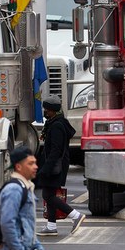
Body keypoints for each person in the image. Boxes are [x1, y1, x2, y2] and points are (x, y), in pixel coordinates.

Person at [36, 95, 86, 237]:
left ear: (52, 110)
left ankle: (75, 215)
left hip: (55, 165)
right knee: (50, 194)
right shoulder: (56, 122)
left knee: (47, 194)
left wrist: (47, 167)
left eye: (47, 109)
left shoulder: (57, 126)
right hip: (56, 164)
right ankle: (51, 226)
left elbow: (56, 150)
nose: (45, 111)